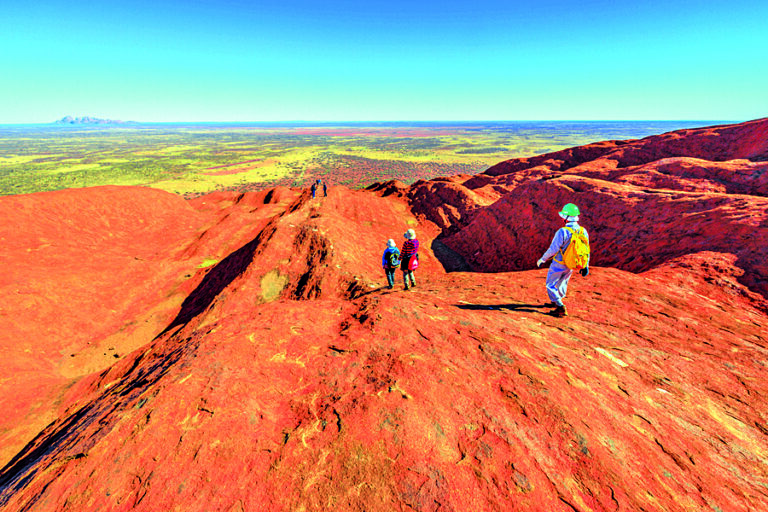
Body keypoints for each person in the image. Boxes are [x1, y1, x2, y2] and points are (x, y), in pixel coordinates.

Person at [536, 203, 590, 317]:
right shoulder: (582, 231)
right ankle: (556, 301)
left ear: (566, 218)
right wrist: (585, 265)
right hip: (572, 263)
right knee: (562, 283)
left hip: (559, 263)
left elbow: (553, 249)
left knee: (550, 284)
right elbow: (586, 249)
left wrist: (543, 259)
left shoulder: (563, 231)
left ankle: (560, 306)